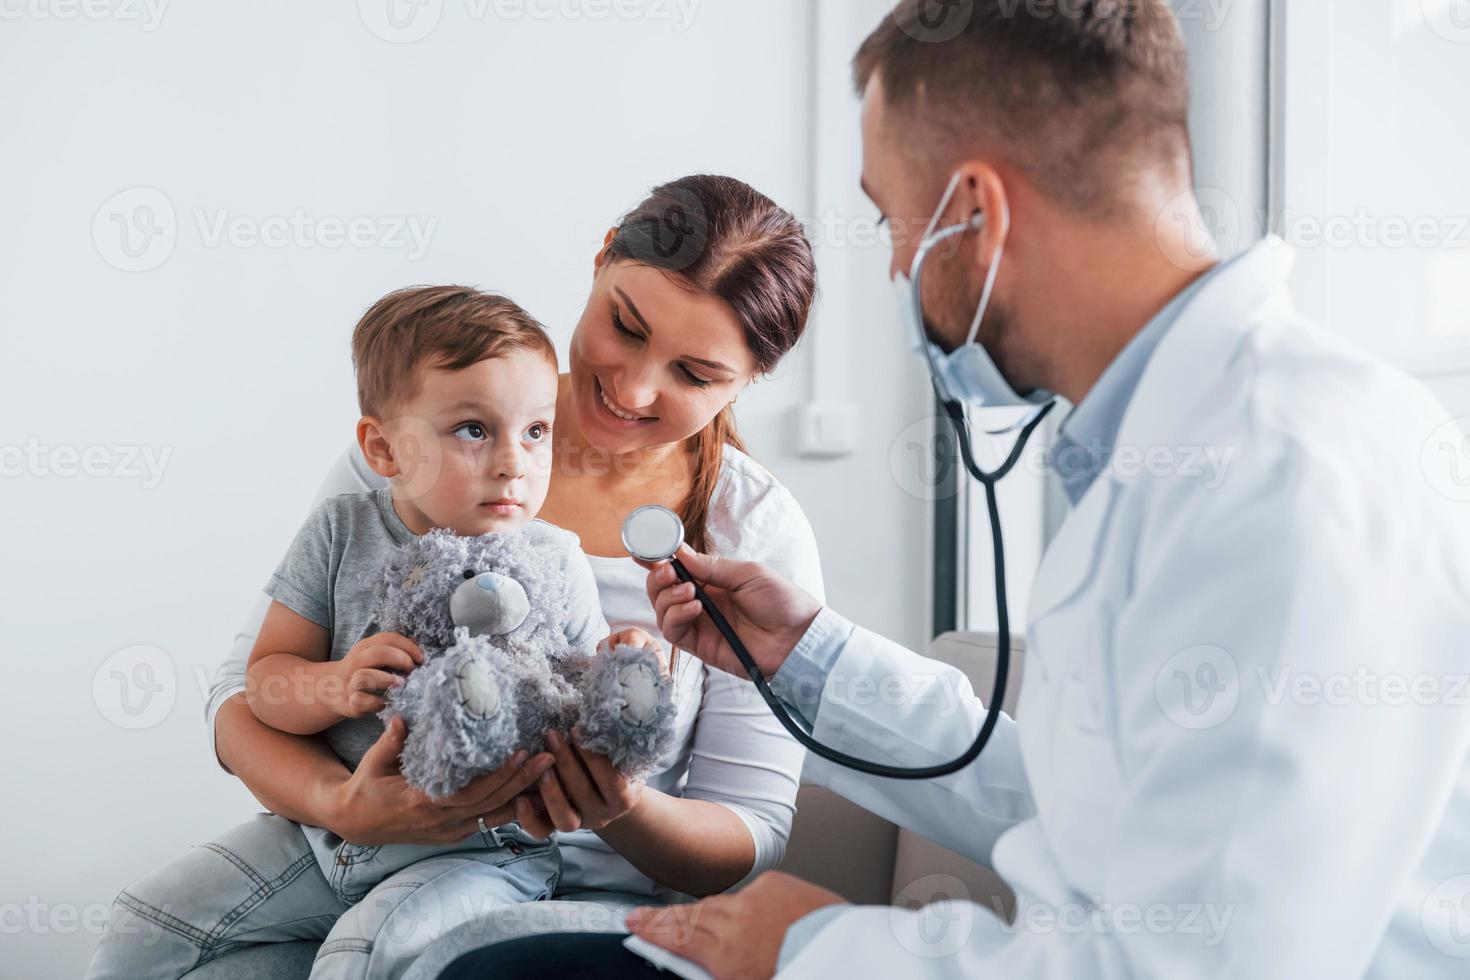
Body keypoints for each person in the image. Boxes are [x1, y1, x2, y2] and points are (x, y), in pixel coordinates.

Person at [442, 2, 1470, 977]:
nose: (895, 267)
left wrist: (817, 947)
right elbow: (1078, 808)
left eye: (893, 219)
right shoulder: (1181, 449)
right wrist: (805, 655)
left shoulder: (1277, 479)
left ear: (974, 210)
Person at [103, 174, 827, 980]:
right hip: (346, 847)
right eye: (625, 326)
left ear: (750, 379)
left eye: (695, 374)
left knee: (411, 962)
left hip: (566, 899)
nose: (631, 389)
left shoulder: (752, 530)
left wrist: (618, 804)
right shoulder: (424, 435)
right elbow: (242, 700)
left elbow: (749, 836)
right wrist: (344, 806)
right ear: (598, 265)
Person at [89, 284, 671, 978]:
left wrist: (624, 664)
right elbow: (264, 681)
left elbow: (576, 700)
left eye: (536, 431)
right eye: (474, 430)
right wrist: (332, 685)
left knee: (360, 957)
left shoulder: (555, 558)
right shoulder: (341, 530)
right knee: (143, 928)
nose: (515, 461)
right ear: (384, 447)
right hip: (320, 836)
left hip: (480, 852)